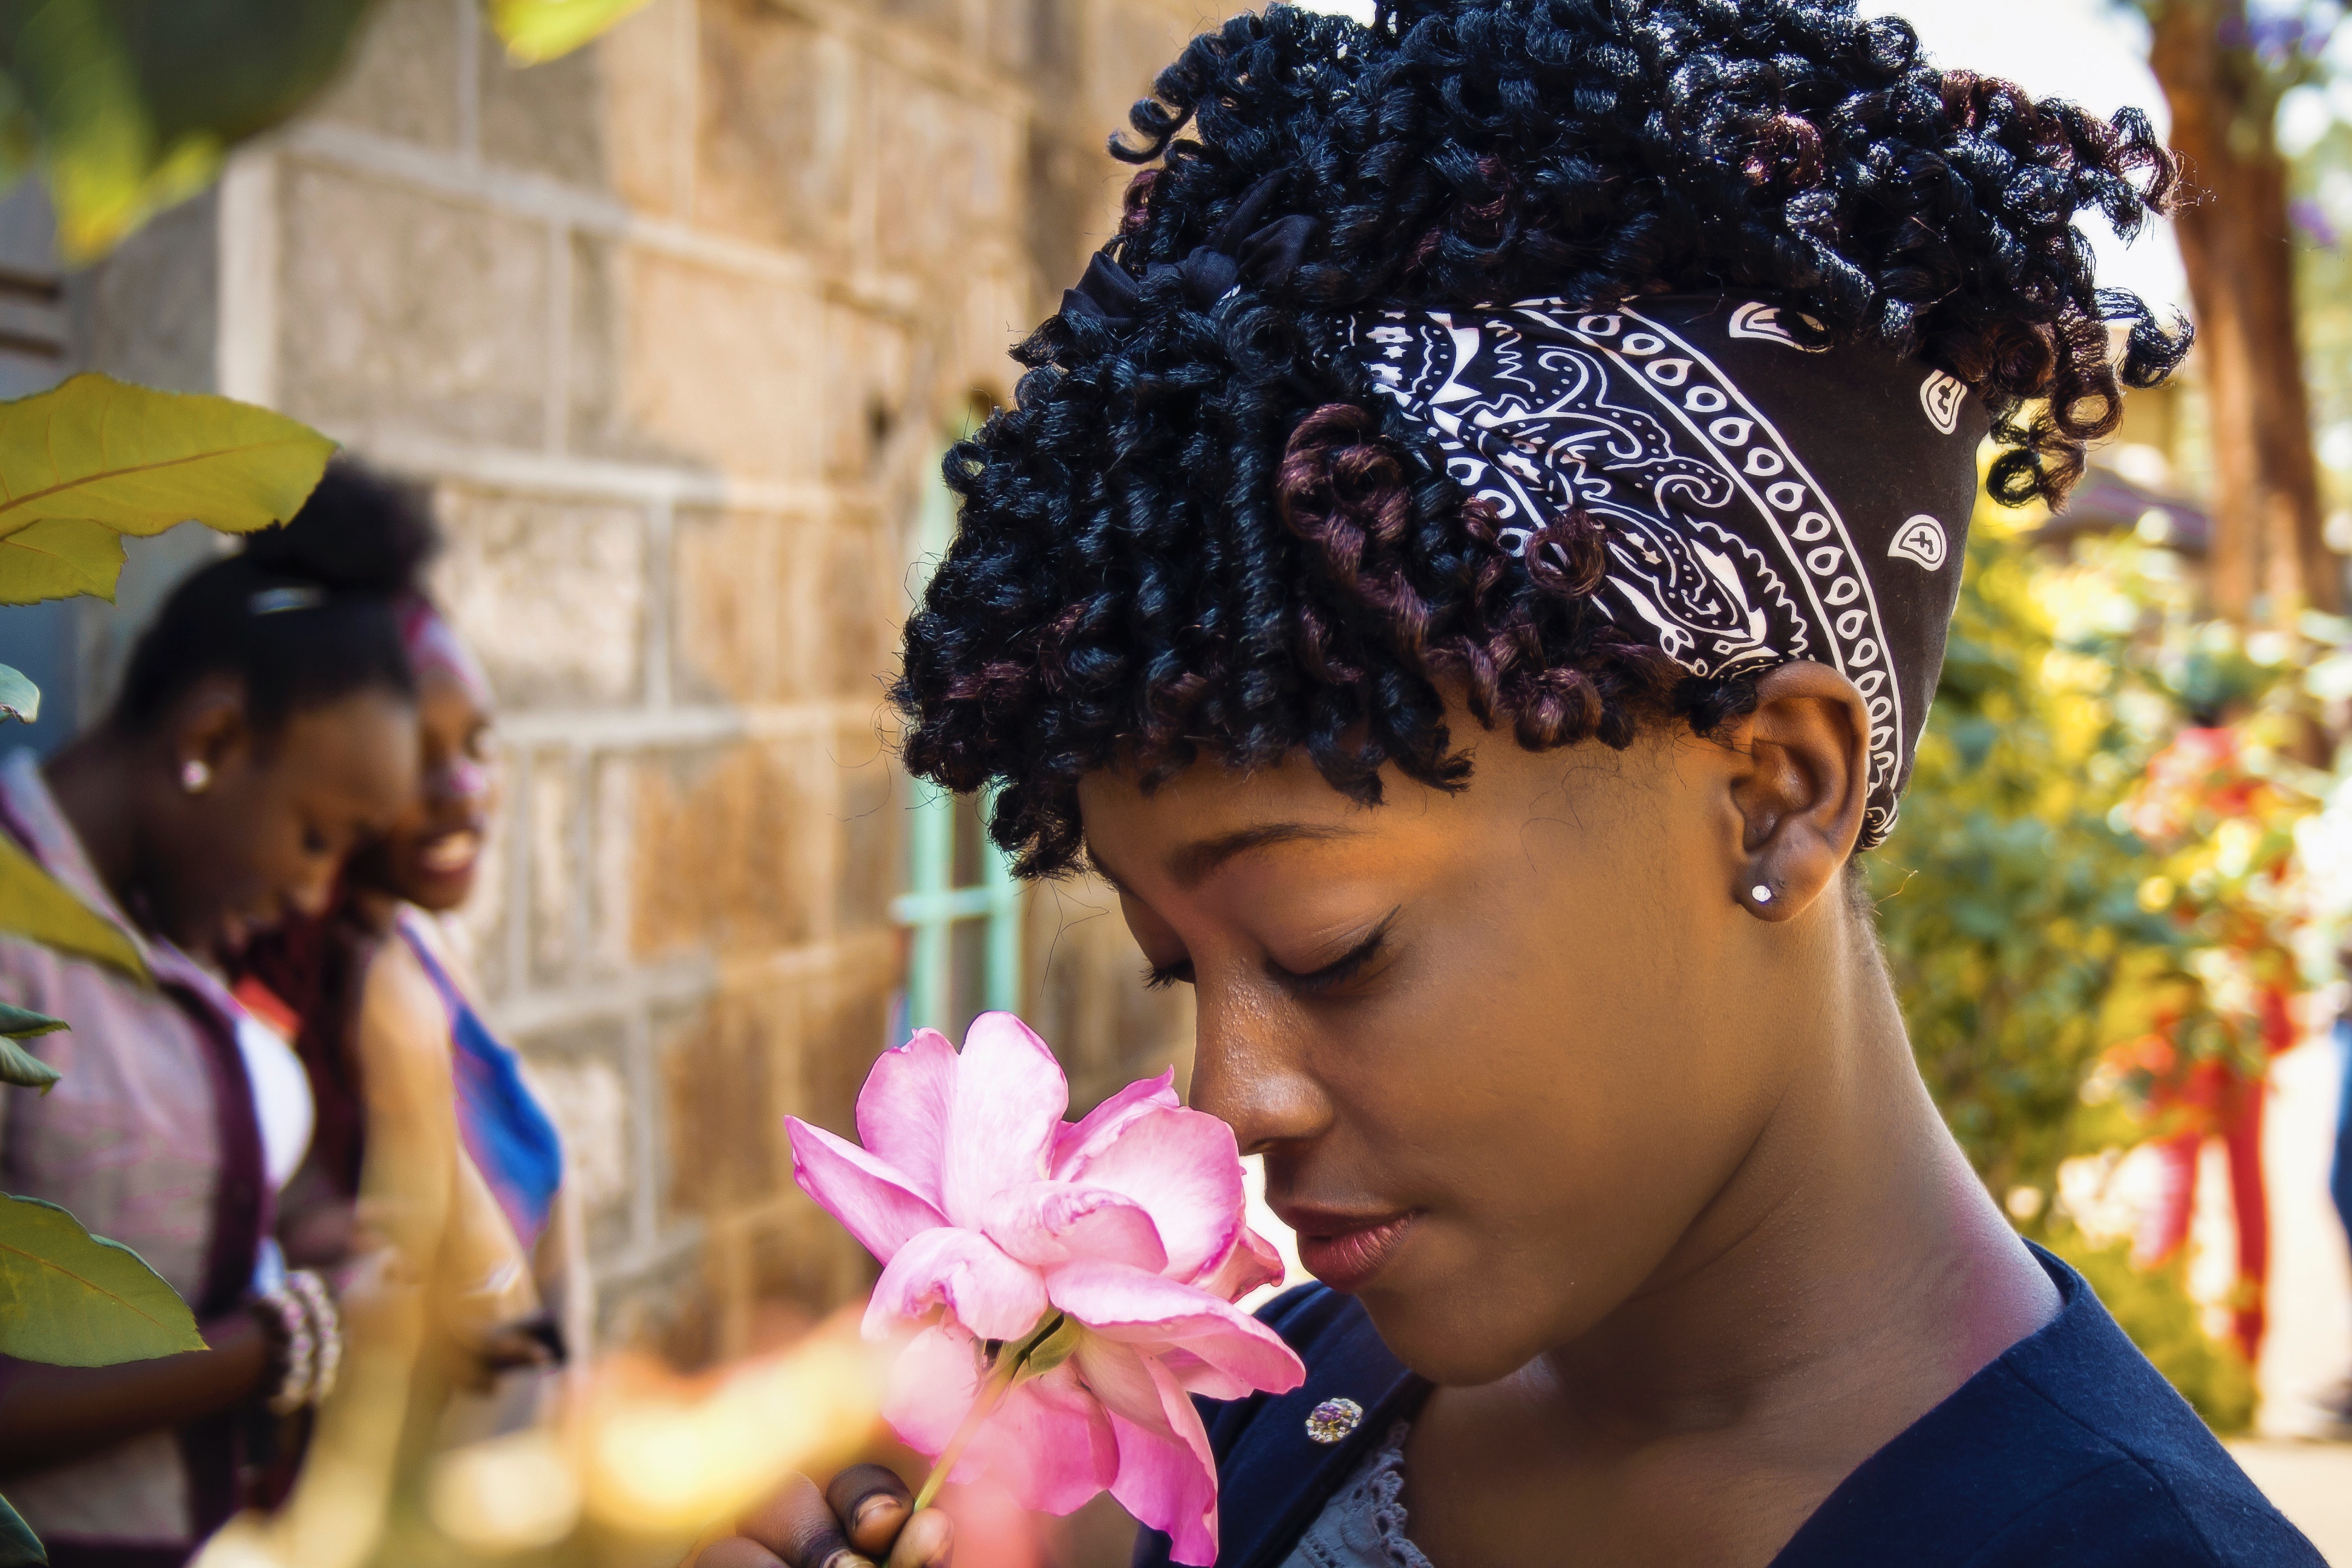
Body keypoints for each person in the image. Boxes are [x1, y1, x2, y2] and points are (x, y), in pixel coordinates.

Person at [697, 0, 2326, 1565]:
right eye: (1178, 966)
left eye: (1333, 945)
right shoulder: (1296, 1417)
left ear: (1778, 796)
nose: (1229, 1095)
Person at [0, 497, 420, 1567]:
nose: (314, 888)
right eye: (317, 837)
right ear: (211, 739)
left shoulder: (167, 927)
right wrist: (279, 1341)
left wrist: (309, 1233)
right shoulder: (16, 936)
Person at [206, 468, 582, 1567]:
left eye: (478, 744)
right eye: (421, 758)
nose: (465, 789)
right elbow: (485, 1321)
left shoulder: (406, 953)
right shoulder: (345, 1003)